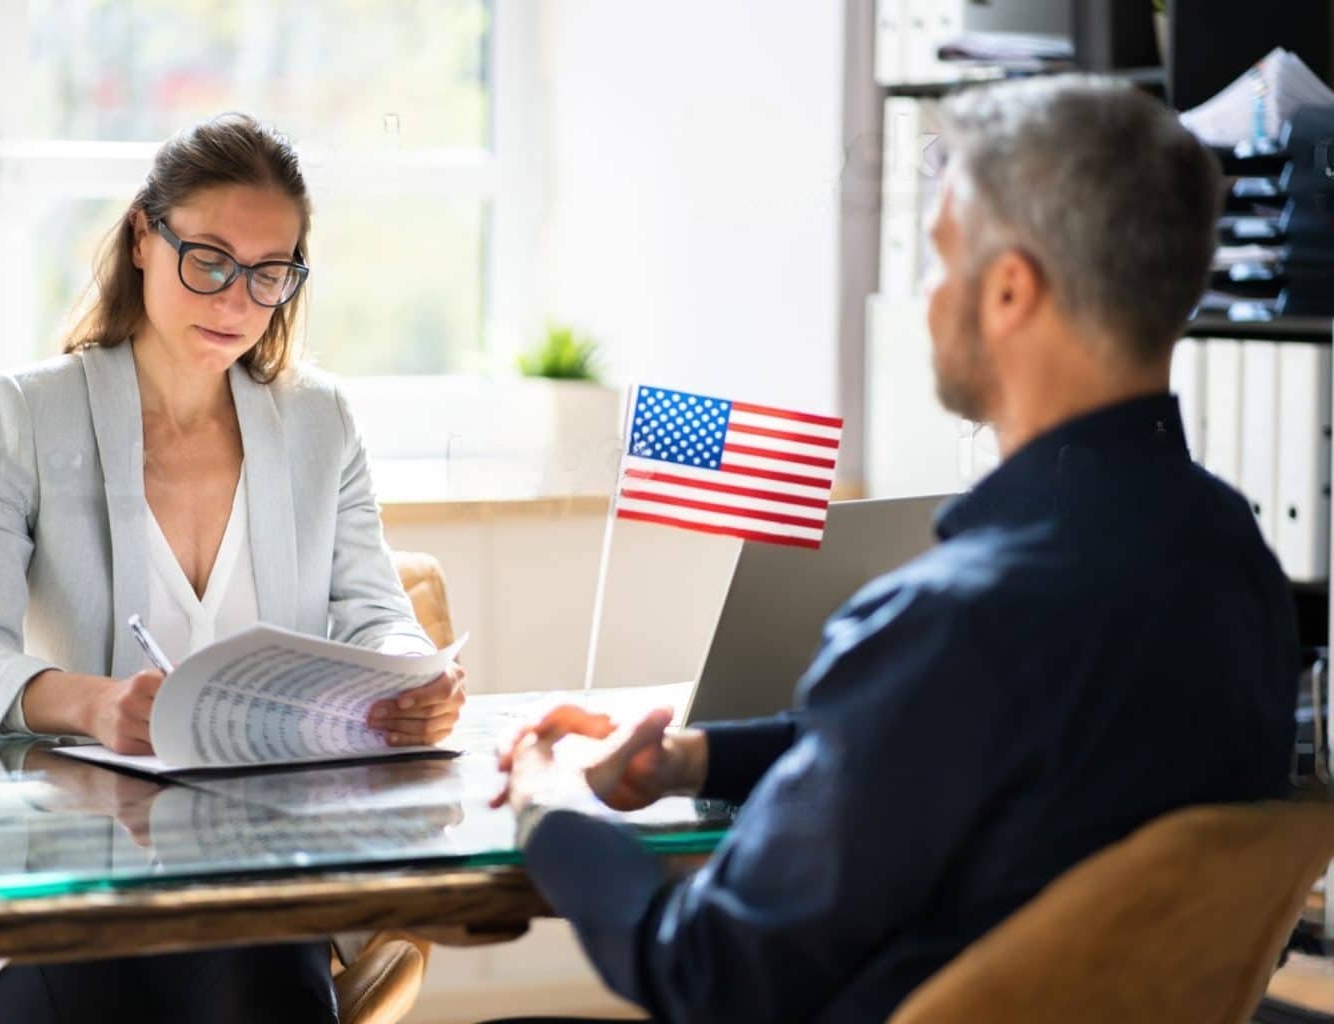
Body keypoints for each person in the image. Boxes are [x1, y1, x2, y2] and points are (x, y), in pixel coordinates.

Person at [489, 74, 1299, 1024]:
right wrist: (696, 760)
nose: (925, 298)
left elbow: (706, 970)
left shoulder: (953, 622)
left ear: (1007, 290)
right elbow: (967, 752)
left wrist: (550, 809)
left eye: (939, 259)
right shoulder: (1235, 557)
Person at [0, 112, 465, 1023]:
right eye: (207, 259)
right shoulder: (22, 414)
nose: (235, 301)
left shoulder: (320, 422)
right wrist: (93, 702)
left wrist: (413, 674)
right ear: (143, 236)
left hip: (255, 871)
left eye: (269, 274)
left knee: (244, 964)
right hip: (59, 876)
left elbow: (376, 610)